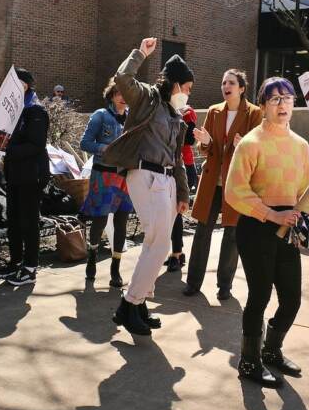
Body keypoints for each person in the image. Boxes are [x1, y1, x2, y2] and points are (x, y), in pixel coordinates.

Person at [225, 76, 309, 388]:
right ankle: (249, 361)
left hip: (287, 227)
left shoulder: (301, 145)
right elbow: (234, 192)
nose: (282, 104)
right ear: (263, 105)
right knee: (260, 295)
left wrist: (303, 223)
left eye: (287, 98)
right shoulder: (251, 143)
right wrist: (271, 214)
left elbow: (306, 192)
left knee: (291, 298)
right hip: (257, 227)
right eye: (274, 99)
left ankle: (272, 350)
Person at [105, 38, 190, 336]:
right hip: (144, 175)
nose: (188, 94)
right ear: (175, 84)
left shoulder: (175, 115)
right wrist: (140, 52)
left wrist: (182, 193)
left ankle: (137, 305)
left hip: (166, 180)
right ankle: (129, 305)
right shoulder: (147, 98)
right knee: (159, 243)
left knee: (154, 245)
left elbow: (177, 158)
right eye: (187, 88)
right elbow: (123, 78)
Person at [184, 69, 263, 300]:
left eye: (230, 82)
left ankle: (224, 286)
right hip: (212, 181)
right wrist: (206, 142)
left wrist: (244, 146)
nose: (225, 86)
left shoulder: (254, 114)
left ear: (241, 88)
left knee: (232, 234)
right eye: (223, 82)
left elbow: (259, 151)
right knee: (202, 232)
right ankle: (193, 282)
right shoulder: (214, 111)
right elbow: (205, 148)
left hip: (237, 182)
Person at [0, 67, 50, 286]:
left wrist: (5, 150)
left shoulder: (35, 110)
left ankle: (30, 267)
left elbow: (36, 145)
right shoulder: (12, 110)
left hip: (31, 176)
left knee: (29, 221)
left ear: (24, 86)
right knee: (14, 221)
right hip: (15, 175)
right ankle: (16, 262)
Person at [79, 78, 134, 289]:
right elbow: (85, 143)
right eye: (119, 93)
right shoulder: (100, 116)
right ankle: (92, 256)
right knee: (100, 221)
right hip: (103, 175)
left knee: (122, 222)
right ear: (111, 95)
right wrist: (106, 148)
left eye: (126, 94)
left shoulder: (132, 120)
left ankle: (115, 269)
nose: (123, 98)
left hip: (124, 177)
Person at [165, 101, 198, 272]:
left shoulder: (187, 112)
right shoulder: (162, 109)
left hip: (185, 168)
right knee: (170, 212)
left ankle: (176, 254)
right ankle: (177, 252)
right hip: (168, 167)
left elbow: (191, 140)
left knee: (176, 211)